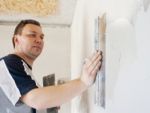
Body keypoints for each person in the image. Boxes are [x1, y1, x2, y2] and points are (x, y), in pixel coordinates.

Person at [0, 19, 102, 113]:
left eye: (41, 37)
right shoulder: (9, 63)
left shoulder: (24, 71)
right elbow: (36, 100)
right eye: (32, 35)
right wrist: (83, 82)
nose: (39, 40)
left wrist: (49, 104)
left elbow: (32, 104)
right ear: (16, 40)